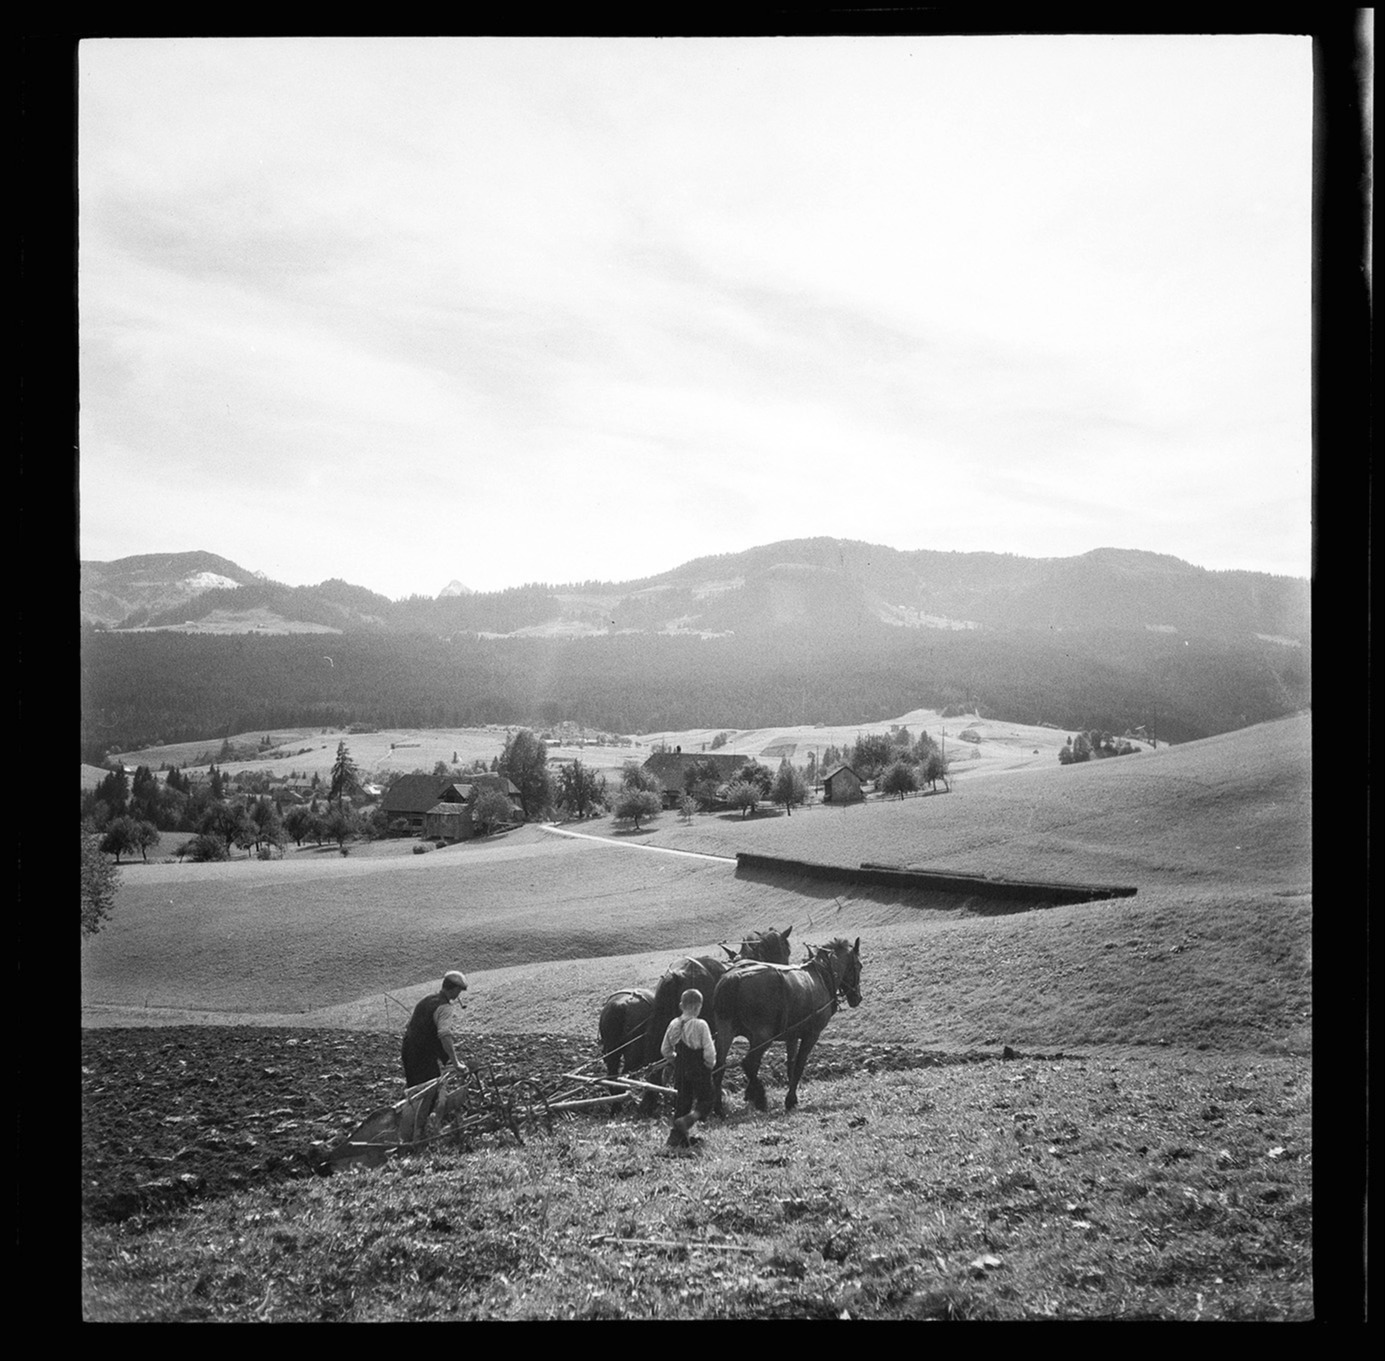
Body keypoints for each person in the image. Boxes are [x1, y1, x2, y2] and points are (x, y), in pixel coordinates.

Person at [400, 969, 468, 1145]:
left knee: (416, 1090)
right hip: (424, 1056)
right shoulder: (444, 1008)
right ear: (453, 990)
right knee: (430, 1093)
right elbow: (444, 1035)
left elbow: (412, 1026)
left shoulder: (425, 1001)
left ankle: (408, 1131)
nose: (458, 994)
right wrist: (456, 1062)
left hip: (408, 1050)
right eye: (459, 991)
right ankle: (419, 1139)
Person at [660, 988, 717, 1151]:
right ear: (698, 1007)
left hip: (681, 1069)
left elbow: (665, 1050)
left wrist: (675, 1061)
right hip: (699, 1067)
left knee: (683, 1102)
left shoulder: (674, 1024)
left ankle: (675, 1138)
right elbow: (709, 1051)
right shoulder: (701, 1025)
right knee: (707, 1099)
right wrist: (709, 1065)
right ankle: (689, 1120)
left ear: (681, 1005)